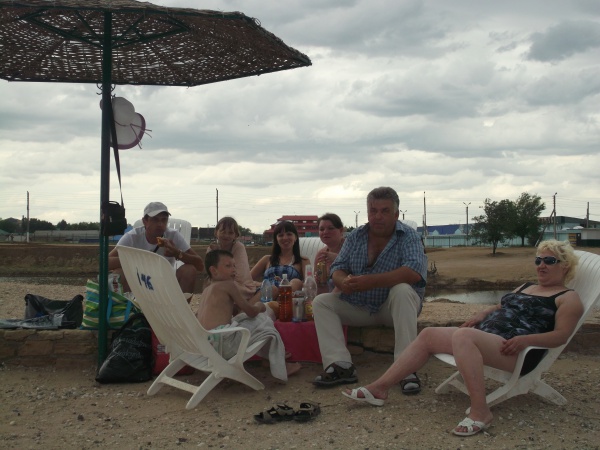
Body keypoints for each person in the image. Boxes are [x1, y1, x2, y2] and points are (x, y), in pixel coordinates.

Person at [342, 240, 583, 437]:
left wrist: (527, 340)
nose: (541, 265)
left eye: (549, 261)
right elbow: (501, 307)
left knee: (464, 336)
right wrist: (482, 313)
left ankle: (481, 412)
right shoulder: (526, 287)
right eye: (538, 260)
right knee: (429, 334)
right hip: (488, 338)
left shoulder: (567, 298)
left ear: (565, 266)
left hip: (516, 351)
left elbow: (561, 336)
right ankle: (379, 389)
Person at [312, 187, 427, 394]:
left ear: (396, 214)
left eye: (384, 211)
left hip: (392, 308)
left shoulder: (409, 236)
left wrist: (371, 282)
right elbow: (338, 268)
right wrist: (343, 281)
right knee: (321, 302)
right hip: (360, 305)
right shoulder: (356, 236)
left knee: (402, 290)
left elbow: (413, 272)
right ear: (367, 212)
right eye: (373, 211)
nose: (378, 216)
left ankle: (406, 368)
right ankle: (340, 365)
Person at [196, 250, 301, 380]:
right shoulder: (228, 285)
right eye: (228, 266)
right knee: (262, 320)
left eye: (234, 266)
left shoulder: (207, 290)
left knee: (247, 320)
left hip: (206, 345)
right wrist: (259, 306)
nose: (233, 269)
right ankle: (280, 364)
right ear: (214, 270)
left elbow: (221, 311)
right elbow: (250, 312)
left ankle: (269, 358)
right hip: (223, 345)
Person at [109, 202, 204, 297]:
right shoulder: (133, 237)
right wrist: (135, 259)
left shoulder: (173, 235)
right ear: (145, 221)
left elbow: (200, 265)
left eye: (164, 220)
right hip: (139, 280)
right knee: (119, 273)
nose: (160, 224)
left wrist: (177, 253)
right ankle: (127, 305)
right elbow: (107, 261)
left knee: (189, 270)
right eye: (155, 220)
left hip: (166, 280)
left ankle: (180, 306)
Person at [206, 216, 261, 303]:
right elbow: (210, 274)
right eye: (223, 231)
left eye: (230, 233)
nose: (226, 235)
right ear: (216, 232)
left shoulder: (238, 247)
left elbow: (239, 275)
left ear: (236, 235)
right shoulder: (211, 249)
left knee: (221, 287)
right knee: (209, 286)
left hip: (241, 286)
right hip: (219, 284)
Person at [250, 221, 310, 294]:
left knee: (296, 282)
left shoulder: (303, 261)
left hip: (289, 296)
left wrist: (283, 284)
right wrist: (263, 284)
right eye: (281, 235)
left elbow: (309, 285)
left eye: (289, 234)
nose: (285, 238)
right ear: (276, 239)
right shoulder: (267, 259)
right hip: (267, 295)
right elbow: (247, 280)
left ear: (295, 238)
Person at [315, 213, 345, 292]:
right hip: (328, 296)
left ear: (341, 230)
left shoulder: (351, 248)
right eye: (321, 229)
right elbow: (320, 290)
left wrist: (338, 259)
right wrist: (318, 282)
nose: (325, 232)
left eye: (330, 228)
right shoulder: (320, 255)